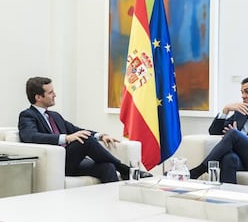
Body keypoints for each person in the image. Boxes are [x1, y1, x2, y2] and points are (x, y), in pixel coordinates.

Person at [18, 76, 152, 183]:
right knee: (85, 140)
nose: (55, 95)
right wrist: (66, 138)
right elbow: (31, 136)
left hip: (71, 162)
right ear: (38, 97)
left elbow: (75, 129)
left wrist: (100, 136)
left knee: (107, 167)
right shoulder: (28, 115)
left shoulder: (54, 116)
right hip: (56, 163)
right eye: (50, 92)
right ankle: (125, 169)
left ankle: (113, 205)